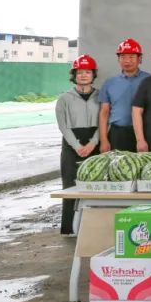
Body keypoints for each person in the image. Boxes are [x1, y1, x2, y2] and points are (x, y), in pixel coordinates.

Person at [57, 55, 100, 236]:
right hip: (71, 143)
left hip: (94, 142)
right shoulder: (65, 98)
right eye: (80, 72)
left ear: (93, 75)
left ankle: (92, 226)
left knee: (95, 185)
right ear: (74, 75)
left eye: (87, 72)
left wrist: (94, 142)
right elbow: (62, 125)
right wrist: (76, 146)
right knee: (70, 185)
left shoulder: (100, 96)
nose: (83, 75)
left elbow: (105, 121)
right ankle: (69, 228)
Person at [98, 38, 150, 153]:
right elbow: (104, 112)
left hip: (144, 132)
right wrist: (103, 140)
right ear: (118, 59)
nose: (127, 61)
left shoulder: (149, 80)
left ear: (139, 59)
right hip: (118, 134)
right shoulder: (109, 83)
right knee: (119, 168)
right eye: (123, 57)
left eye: (131, 57)